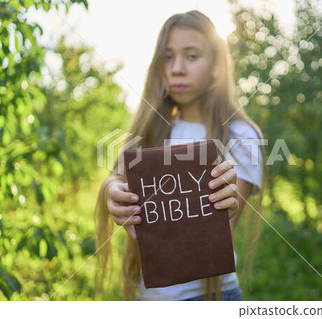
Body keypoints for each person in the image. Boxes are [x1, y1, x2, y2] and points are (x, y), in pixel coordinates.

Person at [95, 10, 266, 301]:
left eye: (192, 56)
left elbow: (223, 223)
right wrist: (113, 192)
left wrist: (228, 197)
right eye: (168, 56)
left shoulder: (241, 135)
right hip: (147, 296)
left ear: (216, 66)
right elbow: (117, 179)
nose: (176, 68)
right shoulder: (151, 130)